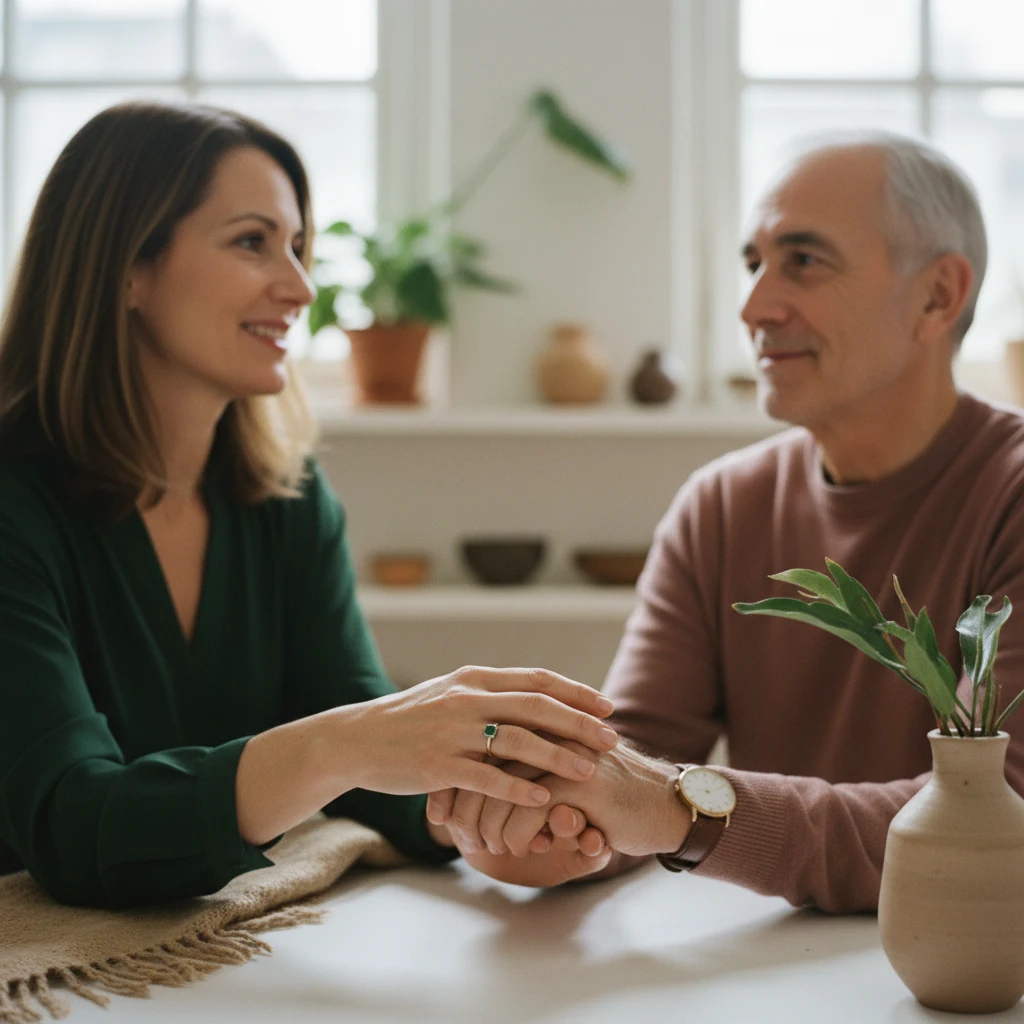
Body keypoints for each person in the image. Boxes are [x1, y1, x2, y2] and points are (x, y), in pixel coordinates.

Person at [0, 101, 622, 909]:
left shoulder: (286, 502)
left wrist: (485, 821)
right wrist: (344, 746)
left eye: (297, 247)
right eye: (252, 242)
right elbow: (73, 827)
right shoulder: (16, 508)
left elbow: (368, 760)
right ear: (127, 268)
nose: (299, 287)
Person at [433, 132, 1024, 912]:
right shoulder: (718, 506)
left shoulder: (1010, 496)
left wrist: (679, 809)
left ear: (937, 297)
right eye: (754, 264)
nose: (754, 307)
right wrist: (542, 826)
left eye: (804, 262)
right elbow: (635, 764)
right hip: (776, 967)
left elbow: (1003, 820)